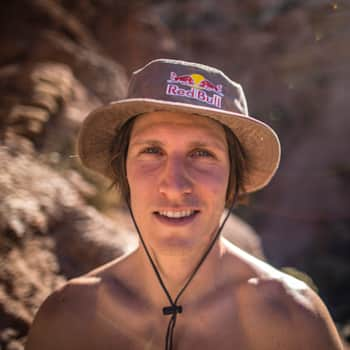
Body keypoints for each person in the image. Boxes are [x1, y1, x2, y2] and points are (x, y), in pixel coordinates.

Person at [25, 59, 343, 350]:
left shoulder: (294, 320)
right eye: (151, 151)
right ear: (123, 169)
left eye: (202, 154)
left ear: (233, 176)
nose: (174, 186)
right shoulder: (66, 319)